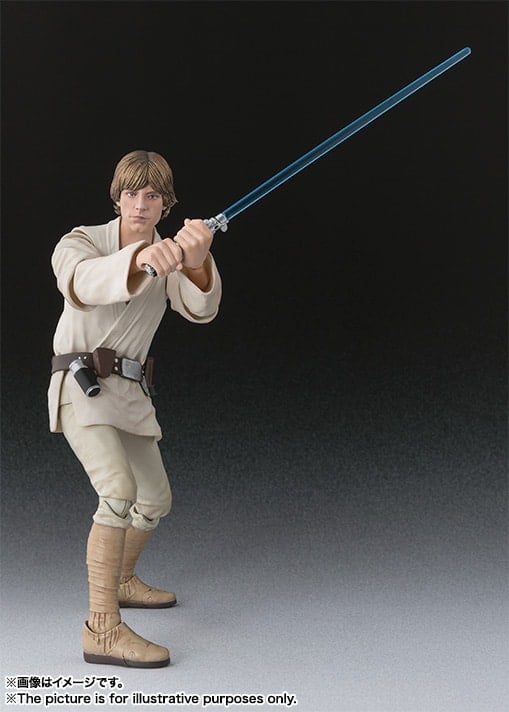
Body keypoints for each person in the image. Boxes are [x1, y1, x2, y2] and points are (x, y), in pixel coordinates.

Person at [48, 150, 222, 668]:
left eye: (152, 195)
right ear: (116, 197)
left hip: (131, 394)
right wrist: (143, 260)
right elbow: (80, 284)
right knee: (117, 491)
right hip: (80, 386)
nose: (140, 204)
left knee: (155, 499)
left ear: (167, 204)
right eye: (131, 193)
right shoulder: (81, 242)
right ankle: (101, 629)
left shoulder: (171, 255)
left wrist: (196, 260)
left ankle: (121, 579)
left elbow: (201, 309)